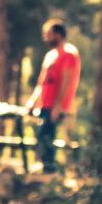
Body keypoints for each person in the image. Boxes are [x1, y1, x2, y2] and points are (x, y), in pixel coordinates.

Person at [28, 15, 81, 170]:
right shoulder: (50, 55)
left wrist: (58, 106)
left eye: (49, 34)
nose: (45, 37)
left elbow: (67, 82)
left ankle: (51, 170)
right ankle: (45, 167)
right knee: (41, 135)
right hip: (44, 105)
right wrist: (33, 100)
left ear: (58, 34)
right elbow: (41, 82)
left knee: (47, 136)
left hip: (57, 106)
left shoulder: (69, 54)